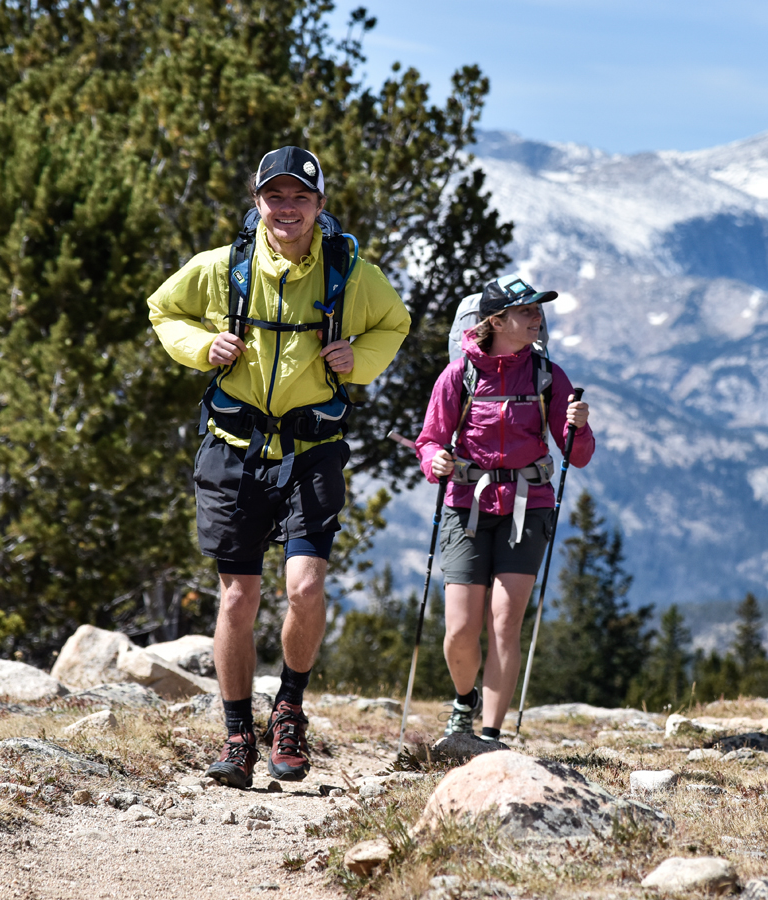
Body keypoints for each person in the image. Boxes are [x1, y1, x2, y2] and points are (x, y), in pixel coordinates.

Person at [146, 147, 410, 788]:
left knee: (305, 588)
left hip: (313, 451)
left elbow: (394, 324)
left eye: (300, 198)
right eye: (275, 197)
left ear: (320, 205)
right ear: (258, 201)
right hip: (233, 450)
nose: (286, 208)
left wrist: (360, 357)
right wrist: (203, 346)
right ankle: (238, 734)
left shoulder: (350, 275)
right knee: (238, 596)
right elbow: (162, 310)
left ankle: (288, 709)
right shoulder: (223, 268)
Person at [414, 278, 593, 743]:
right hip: (465, 507)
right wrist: (434, 460)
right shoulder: (459, 375)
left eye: (538, 310)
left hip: (528, 506)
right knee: (459, 630)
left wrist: (580, 427)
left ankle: (489, 734)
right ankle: (463, 699)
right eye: (526, 310)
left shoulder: (548, 376)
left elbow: (576, 455)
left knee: (503, 622)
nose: (537, 317)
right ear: (495, 322)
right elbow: (430, 438)